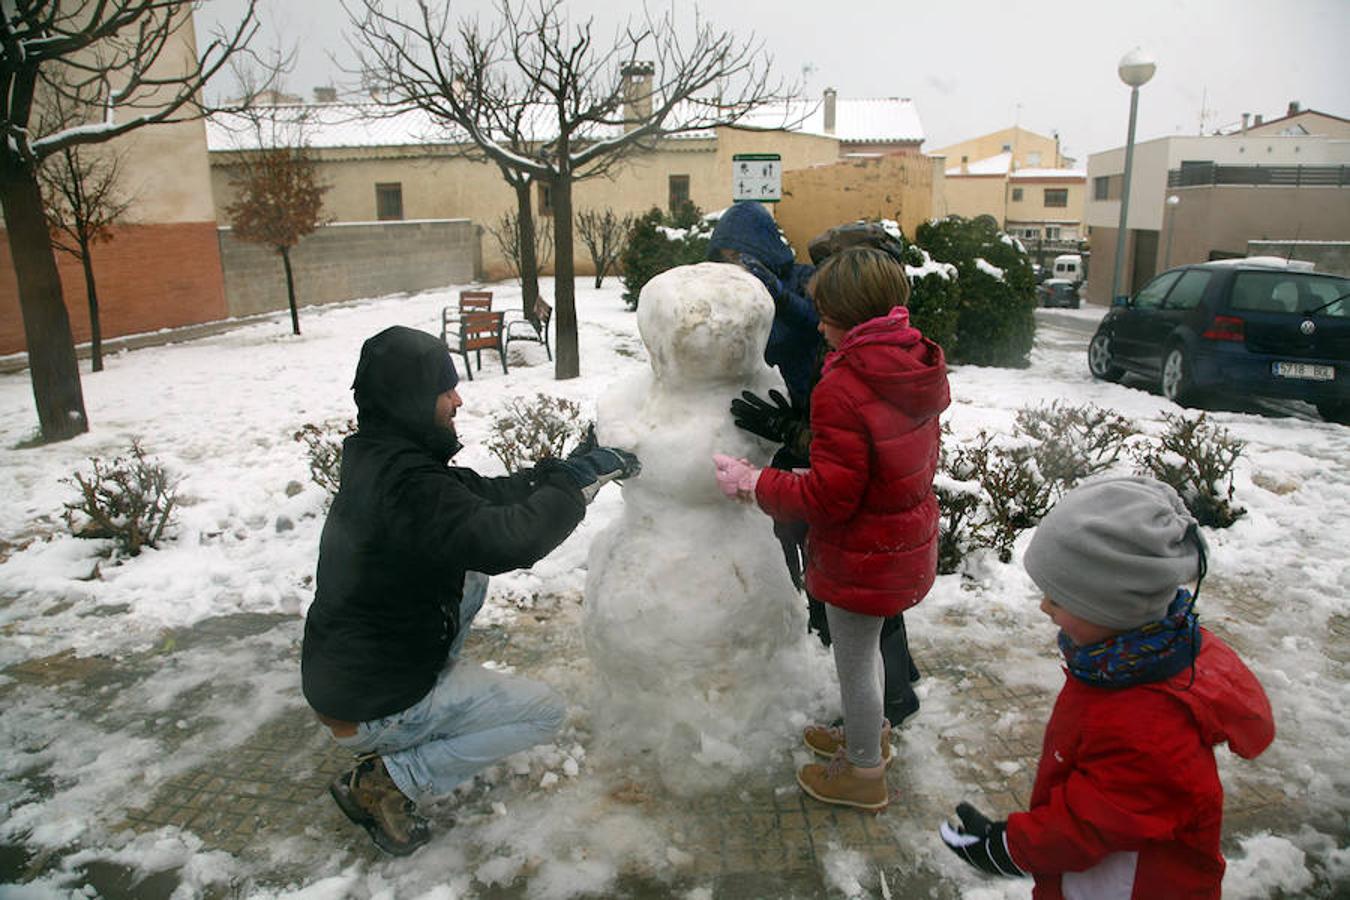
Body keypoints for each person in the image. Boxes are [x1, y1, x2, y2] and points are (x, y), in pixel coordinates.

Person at [302, 325, 639, 856]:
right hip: (373, 702)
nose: (458, 399)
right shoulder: (408, 487)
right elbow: (511, 541)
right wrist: (574, 487)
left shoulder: (383, 457)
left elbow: (485, 495)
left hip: (352, 674)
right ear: (414, 398)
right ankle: (390, 778)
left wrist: (564, 473)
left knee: (468, 569)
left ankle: (419, 707)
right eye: (446, 388)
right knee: (543, 712)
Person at [939, 476, 1275, 897]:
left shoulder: (1149, 724)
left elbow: (1091, 824)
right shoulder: (1126, 661)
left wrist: (1012, 847)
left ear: (1115, 606)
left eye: (1059, 599)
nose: (1044, 607)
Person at [713, 246, 950, 811]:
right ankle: (871, 737)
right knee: (866, 654)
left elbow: (829, 497)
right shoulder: (915, 361)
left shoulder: (844, 385)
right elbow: (871, 467)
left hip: (861, 552)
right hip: (898, 540)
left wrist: (755, 484)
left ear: (850, 316)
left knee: (856, 667)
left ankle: (863, 773)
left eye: (824, 314)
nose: (817, 323)